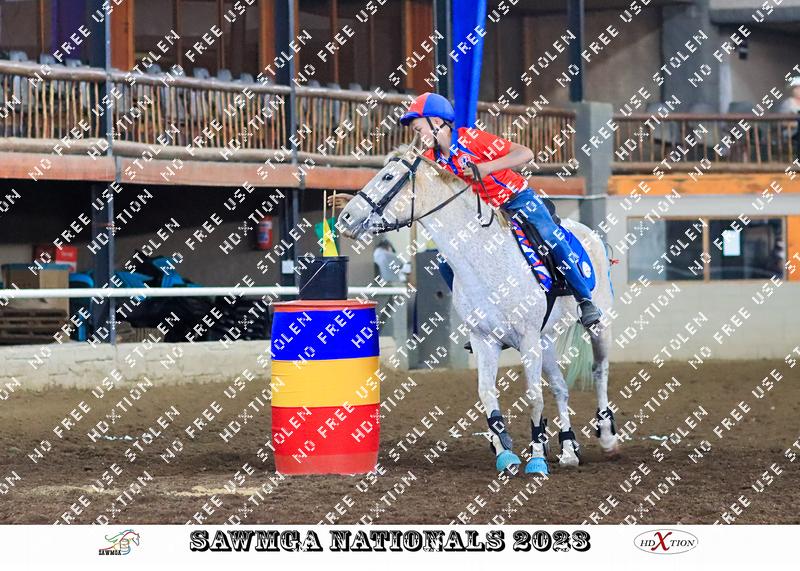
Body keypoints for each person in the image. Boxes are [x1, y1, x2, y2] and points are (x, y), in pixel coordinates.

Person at [398, 92, 602, 328]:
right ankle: (483, 319)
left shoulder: (470, 139)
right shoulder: (430, 159)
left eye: (418, 129)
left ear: (436, 121)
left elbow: (525, 153)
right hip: (483, 213)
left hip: (516, 198)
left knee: (549, 235)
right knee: (445, 262)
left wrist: (487, 167)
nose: (418, 136)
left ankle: (584, 300)